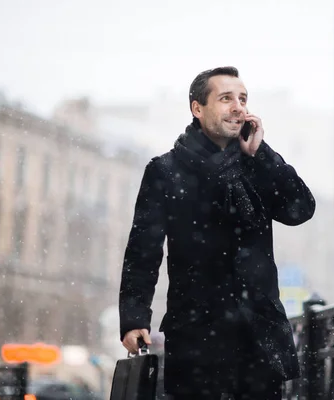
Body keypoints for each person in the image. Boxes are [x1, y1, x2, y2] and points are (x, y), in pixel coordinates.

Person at [119, 66, 316, 399]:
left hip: (259, 336)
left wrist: (263, 155)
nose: (238, 106)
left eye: (243, 98)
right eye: (226, 98)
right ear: (198, 108)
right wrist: (134, 317)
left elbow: (300, 209)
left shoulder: (256, 164)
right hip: (197, 338)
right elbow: (143, 250)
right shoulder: (165, 171)